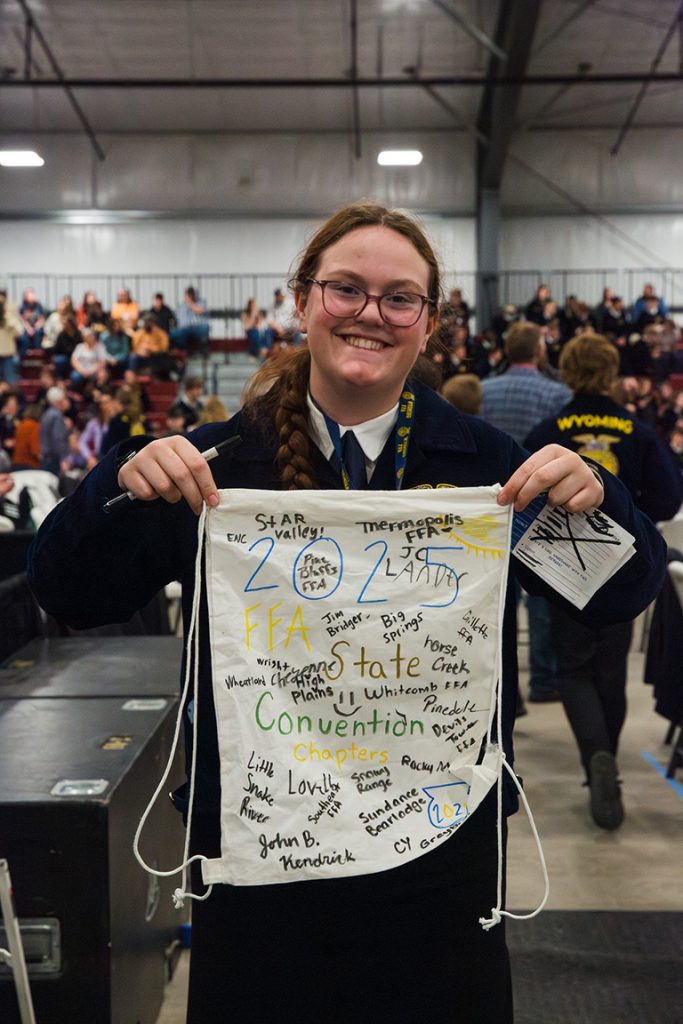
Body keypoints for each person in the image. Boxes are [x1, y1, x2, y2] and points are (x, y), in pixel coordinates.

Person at [28, 201, 666, 1024]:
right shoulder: (216, 465)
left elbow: (620, 592)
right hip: (259, 860)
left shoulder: (488, 470)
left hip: (439, 865)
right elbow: (66, 592)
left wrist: (599, 495)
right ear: (301, 301)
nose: (371, 313)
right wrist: (117, 483)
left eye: (400, 297)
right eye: (345, 289)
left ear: (428, 323)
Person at [524, 332, 683, 830]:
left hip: (562, 569)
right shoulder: (637, 430)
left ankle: (596, 759)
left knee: (574, 670)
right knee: (611, 672)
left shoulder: (549, 428)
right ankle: (605, 764)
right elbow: (668, 501)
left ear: (568, 371)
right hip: (625, 569)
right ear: (612, 371)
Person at [480, 321, 573, 703]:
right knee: (539, 597)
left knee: (492, 601)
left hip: (488, 505)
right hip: (537, 507)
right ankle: (542, 680)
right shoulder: (558, 394)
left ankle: (503, 692)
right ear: (538, 351)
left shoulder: (484, 390)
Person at [171, 287, 210, 356]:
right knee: (174, 333)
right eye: (188, 294)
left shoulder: (201, 302)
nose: (190, 296)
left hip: (198, 327)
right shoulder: (181, 305)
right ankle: (186, 350)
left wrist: (190, 303)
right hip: (184, 328)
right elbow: (175, 317)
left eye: (191, 294)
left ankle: (203, 349)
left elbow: (199, 311)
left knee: (205, 328)